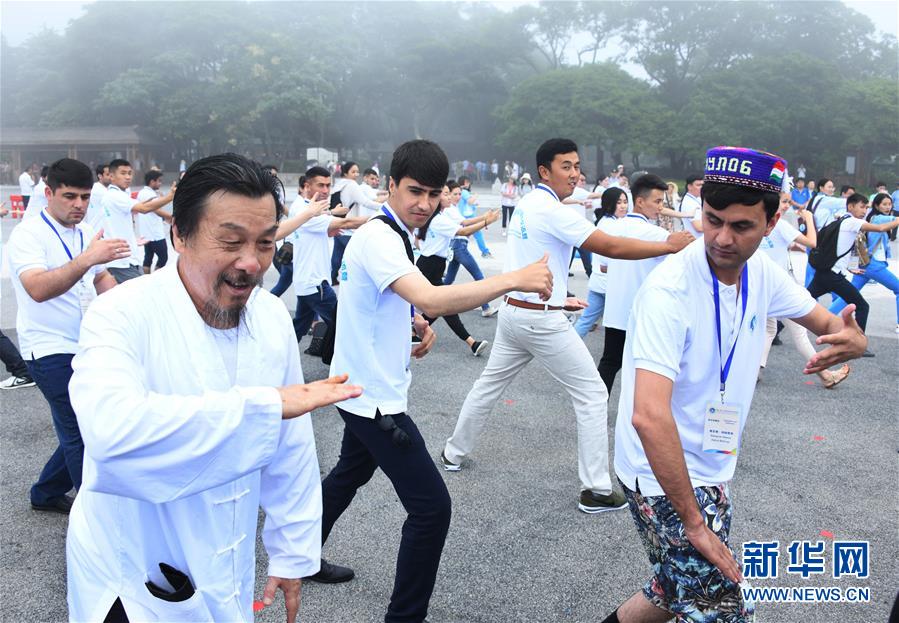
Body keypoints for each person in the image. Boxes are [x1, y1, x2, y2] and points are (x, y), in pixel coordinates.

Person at [65, 153, 363, 623]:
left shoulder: (269, 317)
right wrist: (265, 407)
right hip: (134, 570)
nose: (251, 263)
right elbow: (112, 434)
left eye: (266, 244)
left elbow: (291, 445)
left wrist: (290, 551)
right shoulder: (121, 313)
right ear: (179, 235)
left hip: (228, 552)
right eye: (230, 242)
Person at [603, 146, 866, 623]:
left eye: (740, 226)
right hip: (663, 472)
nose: (721, 238)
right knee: (718, 608)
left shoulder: (763, 272)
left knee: (671, 589)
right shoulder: (669, 291)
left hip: (712, 462)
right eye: (712, 219)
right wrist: (693, 524)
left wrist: (850, 336)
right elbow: (648, 414)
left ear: (772, 222)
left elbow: (830, 322)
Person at [316, 140, 552, 623]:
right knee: (431, 510)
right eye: (414, 191)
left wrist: (413, 323)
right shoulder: (382, 237)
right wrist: (512, 280)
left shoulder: (398, 233)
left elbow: (386, 299)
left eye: (433, 193)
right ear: (390, 187)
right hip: (373, 399)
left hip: (362, 386)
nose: (423, 203)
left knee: (348, 474)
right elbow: (433, 296)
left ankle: (294, 555)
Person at [442, 138, 693, 515]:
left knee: (488, 386)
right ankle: (595, 489)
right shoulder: (552, 210)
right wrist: (668, 245)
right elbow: (611, 246)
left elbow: (539, 261)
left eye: (577, 165)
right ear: (544, 171)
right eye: (566, 166)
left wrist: (561, 298)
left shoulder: (530, 203)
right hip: (539, 320)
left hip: (516, 310)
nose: (575, 173)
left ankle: (453, 452)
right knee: (592, 394)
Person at [6, 158, 126, 516]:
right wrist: (87, 260)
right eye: (69, 196)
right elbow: (39, 289)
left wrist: (130, 313)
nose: (79, 205)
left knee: (88, 422)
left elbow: (103, 280)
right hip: (47, 349)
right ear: (48, 194)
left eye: (85, 197)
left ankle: (46, 492)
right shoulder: (28, 235)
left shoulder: (86, 231)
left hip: (87, 344)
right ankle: (98, 517)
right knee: (80, 429)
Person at [598, 174, 683, 394]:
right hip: (643, 312)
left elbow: (604, 266)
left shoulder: (612, 229)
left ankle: (594, 411)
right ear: (640, 201)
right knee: (644, 368)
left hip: (616, 308)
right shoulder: (659, 235)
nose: (660, 207)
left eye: (662, 202)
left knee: (609, 363)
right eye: (657, 201)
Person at [758, 193, 850, 387]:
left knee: (769, 329)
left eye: (787, 202)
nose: (786, 206)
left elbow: (784, 246)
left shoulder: (760, 221)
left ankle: (755, 371)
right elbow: (812, 242)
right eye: (784, 202)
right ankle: (825, 375)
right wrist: (809, 218)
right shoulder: (780, 224)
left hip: (762, 284)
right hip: (778, 287)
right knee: (798, 332)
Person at [807, 192, 899, 349]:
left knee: (802, 299)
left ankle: (776, 324)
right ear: (850, 206)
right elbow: (881, 227)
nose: (864, 211)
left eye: (866, 207)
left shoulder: (841, 220)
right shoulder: (852, 222)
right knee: (862, 306)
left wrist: (851, 267)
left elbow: (844, 248)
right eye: (862, 207)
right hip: (834, 275)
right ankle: (858, 344)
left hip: (826, 273)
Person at [417, 184, 500, 355]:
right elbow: (463, 231)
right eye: (446, 194)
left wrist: (483, 218)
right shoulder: (438, 220)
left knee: (441, 307)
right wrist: (486, 221)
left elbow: (463, 223)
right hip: (430, 266)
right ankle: (471, 343)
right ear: (437, 199)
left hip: (433, 265)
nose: (450, 197)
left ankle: (414, 331)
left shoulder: (441, 216)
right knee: (444, 306)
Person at [290, 166, 368, 341]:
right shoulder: (305, 212)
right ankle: (347, 364)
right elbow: (346, 223)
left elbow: (316, 226)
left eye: (328, 185)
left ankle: (279, 363)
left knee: (299, 327)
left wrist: (328, 225)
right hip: (316, 282)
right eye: (320, 185)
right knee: (343, 325)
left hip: (308, 281)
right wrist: (380, 219)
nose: (325, 190)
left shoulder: (305, 207)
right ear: (307, 185)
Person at [829, 193, 899, 334]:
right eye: (884, 204)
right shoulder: (878, 218)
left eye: (889, 204)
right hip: (873, 265)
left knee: (849, 294)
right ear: (877, 206)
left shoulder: (871, 218)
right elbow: (893, 220)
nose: (887, 207)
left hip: (865, 264)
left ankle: (826, 316)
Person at [99, 159, 176, 283]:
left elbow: (139, 207)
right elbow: (144, 209)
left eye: (129, 173)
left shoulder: (119, 195)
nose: (128, 177)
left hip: (127, 258)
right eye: (123, 173)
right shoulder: (115, 195)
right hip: (122, 262)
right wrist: (169, 197)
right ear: (111, 176)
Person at [573, 187, 629, 337]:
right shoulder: (612, 225)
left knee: (585, 321)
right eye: (619, 202)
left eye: (625, 202)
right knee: (622, 324)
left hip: (599, 282)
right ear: (610, 204)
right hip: (609, 284)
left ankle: (565, 349)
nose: (623, 206)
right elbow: (607, 260)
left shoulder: (606, 222)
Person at [443, 181, 499, 317]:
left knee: (448, 281)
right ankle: (486, 308)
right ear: (448, 194)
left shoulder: (453, 208)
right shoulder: (450, 209)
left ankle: (434, 302)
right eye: (454, 194)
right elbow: (465, 223)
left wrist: (484, 220)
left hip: (456, 247)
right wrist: (485, 219)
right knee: (478, 276)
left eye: (459, 194)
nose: (457, 197)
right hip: (459, 247)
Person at [330, 161, 385, 285]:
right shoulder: (352, 185)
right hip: (348, 226)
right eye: (353, 171)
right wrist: (384, 207)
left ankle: (332, 277)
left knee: (337, 254)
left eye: (357, 171)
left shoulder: (338, 185)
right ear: (345, 172)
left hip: (337, 224)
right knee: (358, 255)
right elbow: (365, 202)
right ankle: (356, 281)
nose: (356, 174)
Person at [136, 170, 172, 273]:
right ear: (152, 181)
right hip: (155, 234)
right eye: (159, 181)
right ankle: (155, 278)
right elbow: (156, 210)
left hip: (146, 233)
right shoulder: (149, 194)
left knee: (148, 257)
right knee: (163, 258)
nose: (160, 183)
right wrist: (170, 217)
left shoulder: (142, 192)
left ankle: (147, 279)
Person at [457, 175, 492, 258]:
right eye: (467, 182)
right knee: (477, 234)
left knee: (464, 236)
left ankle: (460, 251)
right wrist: (475, 196)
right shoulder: (464, 192)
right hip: (468, 217)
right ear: (464, 183)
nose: (468, 184)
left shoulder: (460, 191)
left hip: (464, 216)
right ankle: (485, 252)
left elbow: (467, 203)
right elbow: (470, 201)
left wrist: (474, 203)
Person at [679, 173, 704, 237]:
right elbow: (699, 227)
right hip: (695, 241)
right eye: (698, 185)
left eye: (702, 185)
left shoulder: (697, 198)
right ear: (689, 186)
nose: (702, 188)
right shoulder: (689, 203)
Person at [86, 163, 110, 229]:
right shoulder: (97, 190)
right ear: (100, 176)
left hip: (104, 228)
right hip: (97, 229)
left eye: (111, 175)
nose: (110, 177)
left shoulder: (107, 189)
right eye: (108, 175)